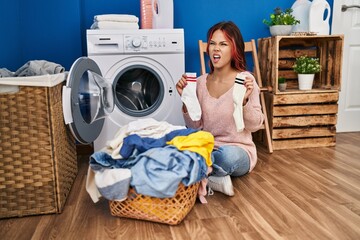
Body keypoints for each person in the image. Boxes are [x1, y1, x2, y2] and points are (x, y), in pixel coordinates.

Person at [176, 21, 264, 196]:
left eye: (223, 44)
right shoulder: (200, 83)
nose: (216, 49)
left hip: (237, 150)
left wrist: (244, 101)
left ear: (234, 50)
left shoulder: (246, 80)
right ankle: (213, 177)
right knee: (175, 145)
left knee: (226, 156)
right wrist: (187, 99)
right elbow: (194, 127)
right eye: (213, 44)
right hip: (207, 147)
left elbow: (254, 125)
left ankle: (196, 172)